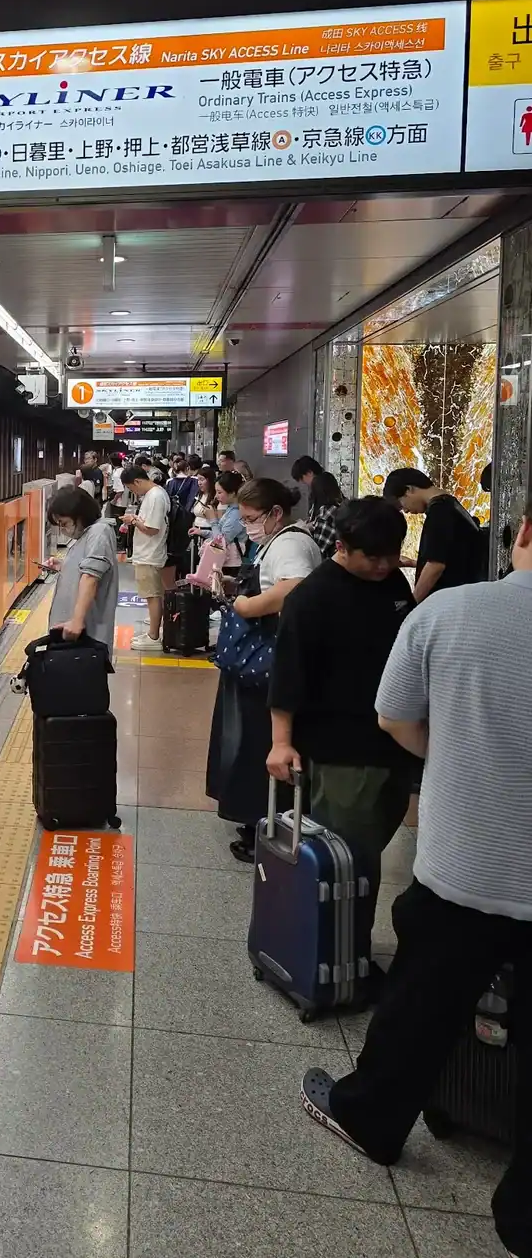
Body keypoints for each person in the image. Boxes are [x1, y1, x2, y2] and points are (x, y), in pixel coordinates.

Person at [299, 498, 532, 1258]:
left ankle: (370, 1118)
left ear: (523, 532)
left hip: (468, 862)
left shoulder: (451, 614)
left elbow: (394, 717)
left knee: (422, 1000)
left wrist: (461, 754)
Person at [267, 497, 417, 978]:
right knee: (351, 862)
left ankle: (343, 950)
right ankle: (340, 959)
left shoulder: (391, 581)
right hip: (339, 750)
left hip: (394, 743)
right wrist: (281, 741)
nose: (385, 565)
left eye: (392, 553)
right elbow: (287, 675)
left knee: (369, 850)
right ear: (343, 546)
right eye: (372, 556)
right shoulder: (311, 598)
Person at [207, 479, 322, 861]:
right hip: (259, 661)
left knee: (257, 739)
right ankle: (258, 819)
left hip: (268, 661)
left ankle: (267, 822)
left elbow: (295, 586)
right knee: (248, 739)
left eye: (252, 518)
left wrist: (246, 607)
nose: (249, 525)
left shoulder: (290, 543)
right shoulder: (279, 540)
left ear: (276, 512)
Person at [382, 467, 486, 601]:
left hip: (455, 600)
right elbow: (450, 555)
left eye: (401, 504)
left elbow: (436, 566)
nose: (406, 510)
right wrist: (414, 563)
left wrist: (413, 605)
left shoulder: (439, 513)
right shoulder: (448, 504)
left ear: (409, 489)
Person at [44, 485, 120, 649]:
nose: (63, 529)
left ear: (81, 515)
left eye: (64, 523)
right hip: (72, 632)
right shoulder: (89, 534)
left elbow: (91, 577)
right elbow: (87, 568)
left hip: (84, 634)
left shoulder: (99, 532)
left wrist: (77, 621)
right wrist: (64, 566)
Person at [120, 464, 173, 651]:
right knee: (152, 594)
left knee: (153, 595)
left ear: (137, 481)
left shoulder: (155, 496)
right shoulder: (155, 494)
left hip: (150, 553)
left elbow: (152, 529)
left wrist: (133, 520)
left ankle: (153, 636)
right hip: (148, 552)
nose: (132, 491)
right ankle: (153, 631)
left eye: (131, 488)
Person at [292, 455, 346, 559]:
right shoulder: (337, 500)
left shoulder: (326, 509)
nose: (305, 484)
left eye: (302, 479)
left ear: (309, 473)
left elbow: (319, 547)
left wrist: (309, 527)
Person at [209, 469, 249, 566]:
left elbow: (220, 543)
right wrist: (202, 532)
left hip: (232, 564)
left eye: (219, 492)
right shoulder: (231, 509)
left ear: (232, 493)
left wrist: (213, 519)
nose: (216, 496)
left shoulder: (236, 514)